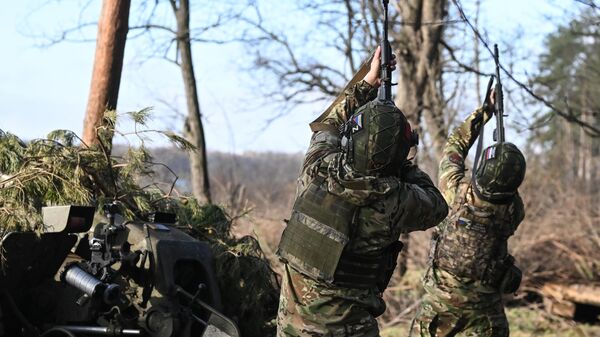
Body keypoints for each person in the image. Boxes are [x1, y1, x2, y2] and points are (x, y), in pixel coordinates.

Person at [275, 46, 449, 337]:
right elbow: (437, 205)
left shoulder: (317, 169)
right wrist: (402, 164)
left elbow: (327, 125)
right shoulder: (396, 201)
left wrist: (367, 82)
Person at [409, 93, 526, 337]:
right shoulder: (513, 211)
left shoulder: (454, 191)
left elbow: (454, 146)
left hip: (438, 313)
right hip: (486, 318)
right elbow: (507, 194)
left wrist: (485, 112)